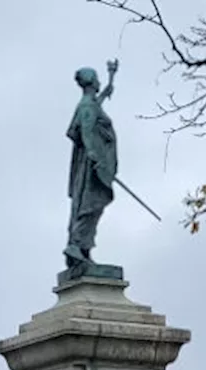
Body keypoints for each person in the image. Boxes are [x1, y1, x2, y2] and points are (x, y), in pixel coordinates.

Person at [65, 60, 119, 272]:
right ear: (91, 82)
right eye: (98, 79)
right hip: (92, 166)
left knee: (91, 205)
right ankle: (77, 245)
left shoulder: (90, 102)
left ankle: (83, 249)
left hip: (92, 164)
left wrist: (112, 75)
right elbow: (86, 131)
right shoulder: (87, 106)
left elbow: (104, 95)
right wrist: (96, 157)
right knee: (90, 205)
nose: (100, 82)